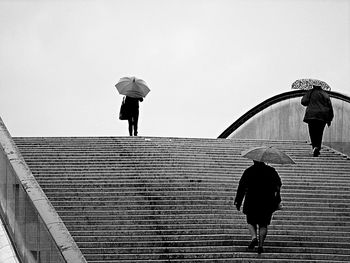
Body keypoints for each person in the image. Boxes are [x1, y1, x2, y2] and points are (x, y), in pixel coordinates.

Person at [234, 160, 282, 254]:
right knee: (263, 224)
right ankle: (260, 245)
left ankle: (254, 237)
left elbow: (241, 187)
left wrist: (238, 201)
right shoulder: (271, 171)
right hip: (267, 201)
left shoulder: (249, 171)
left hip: (252, 200)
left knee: (250, 221)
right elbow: (278, 184)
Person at [301, 85, 334, 157]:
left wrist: (308, 96)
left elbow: (303, 102)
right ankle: (317, 147)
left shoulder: (310, 92)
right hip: (322, 116)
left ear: (313, 85)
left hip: (311, 115)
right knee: (319, 132)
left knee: (312, 132)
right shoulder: (325, 94)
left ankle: (314, 147)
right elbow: (330, 107)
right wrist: (330, 118)